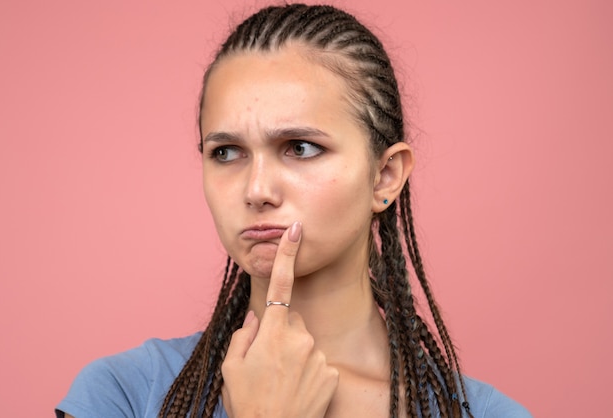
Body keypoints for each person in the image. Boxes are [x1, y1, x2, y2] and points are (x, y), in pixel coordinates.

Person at [56, 4, 532, 418]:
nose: (257, 189)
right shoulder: (122, 394)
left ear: (385, 176)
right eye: (226, 152)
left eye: (300, 147)